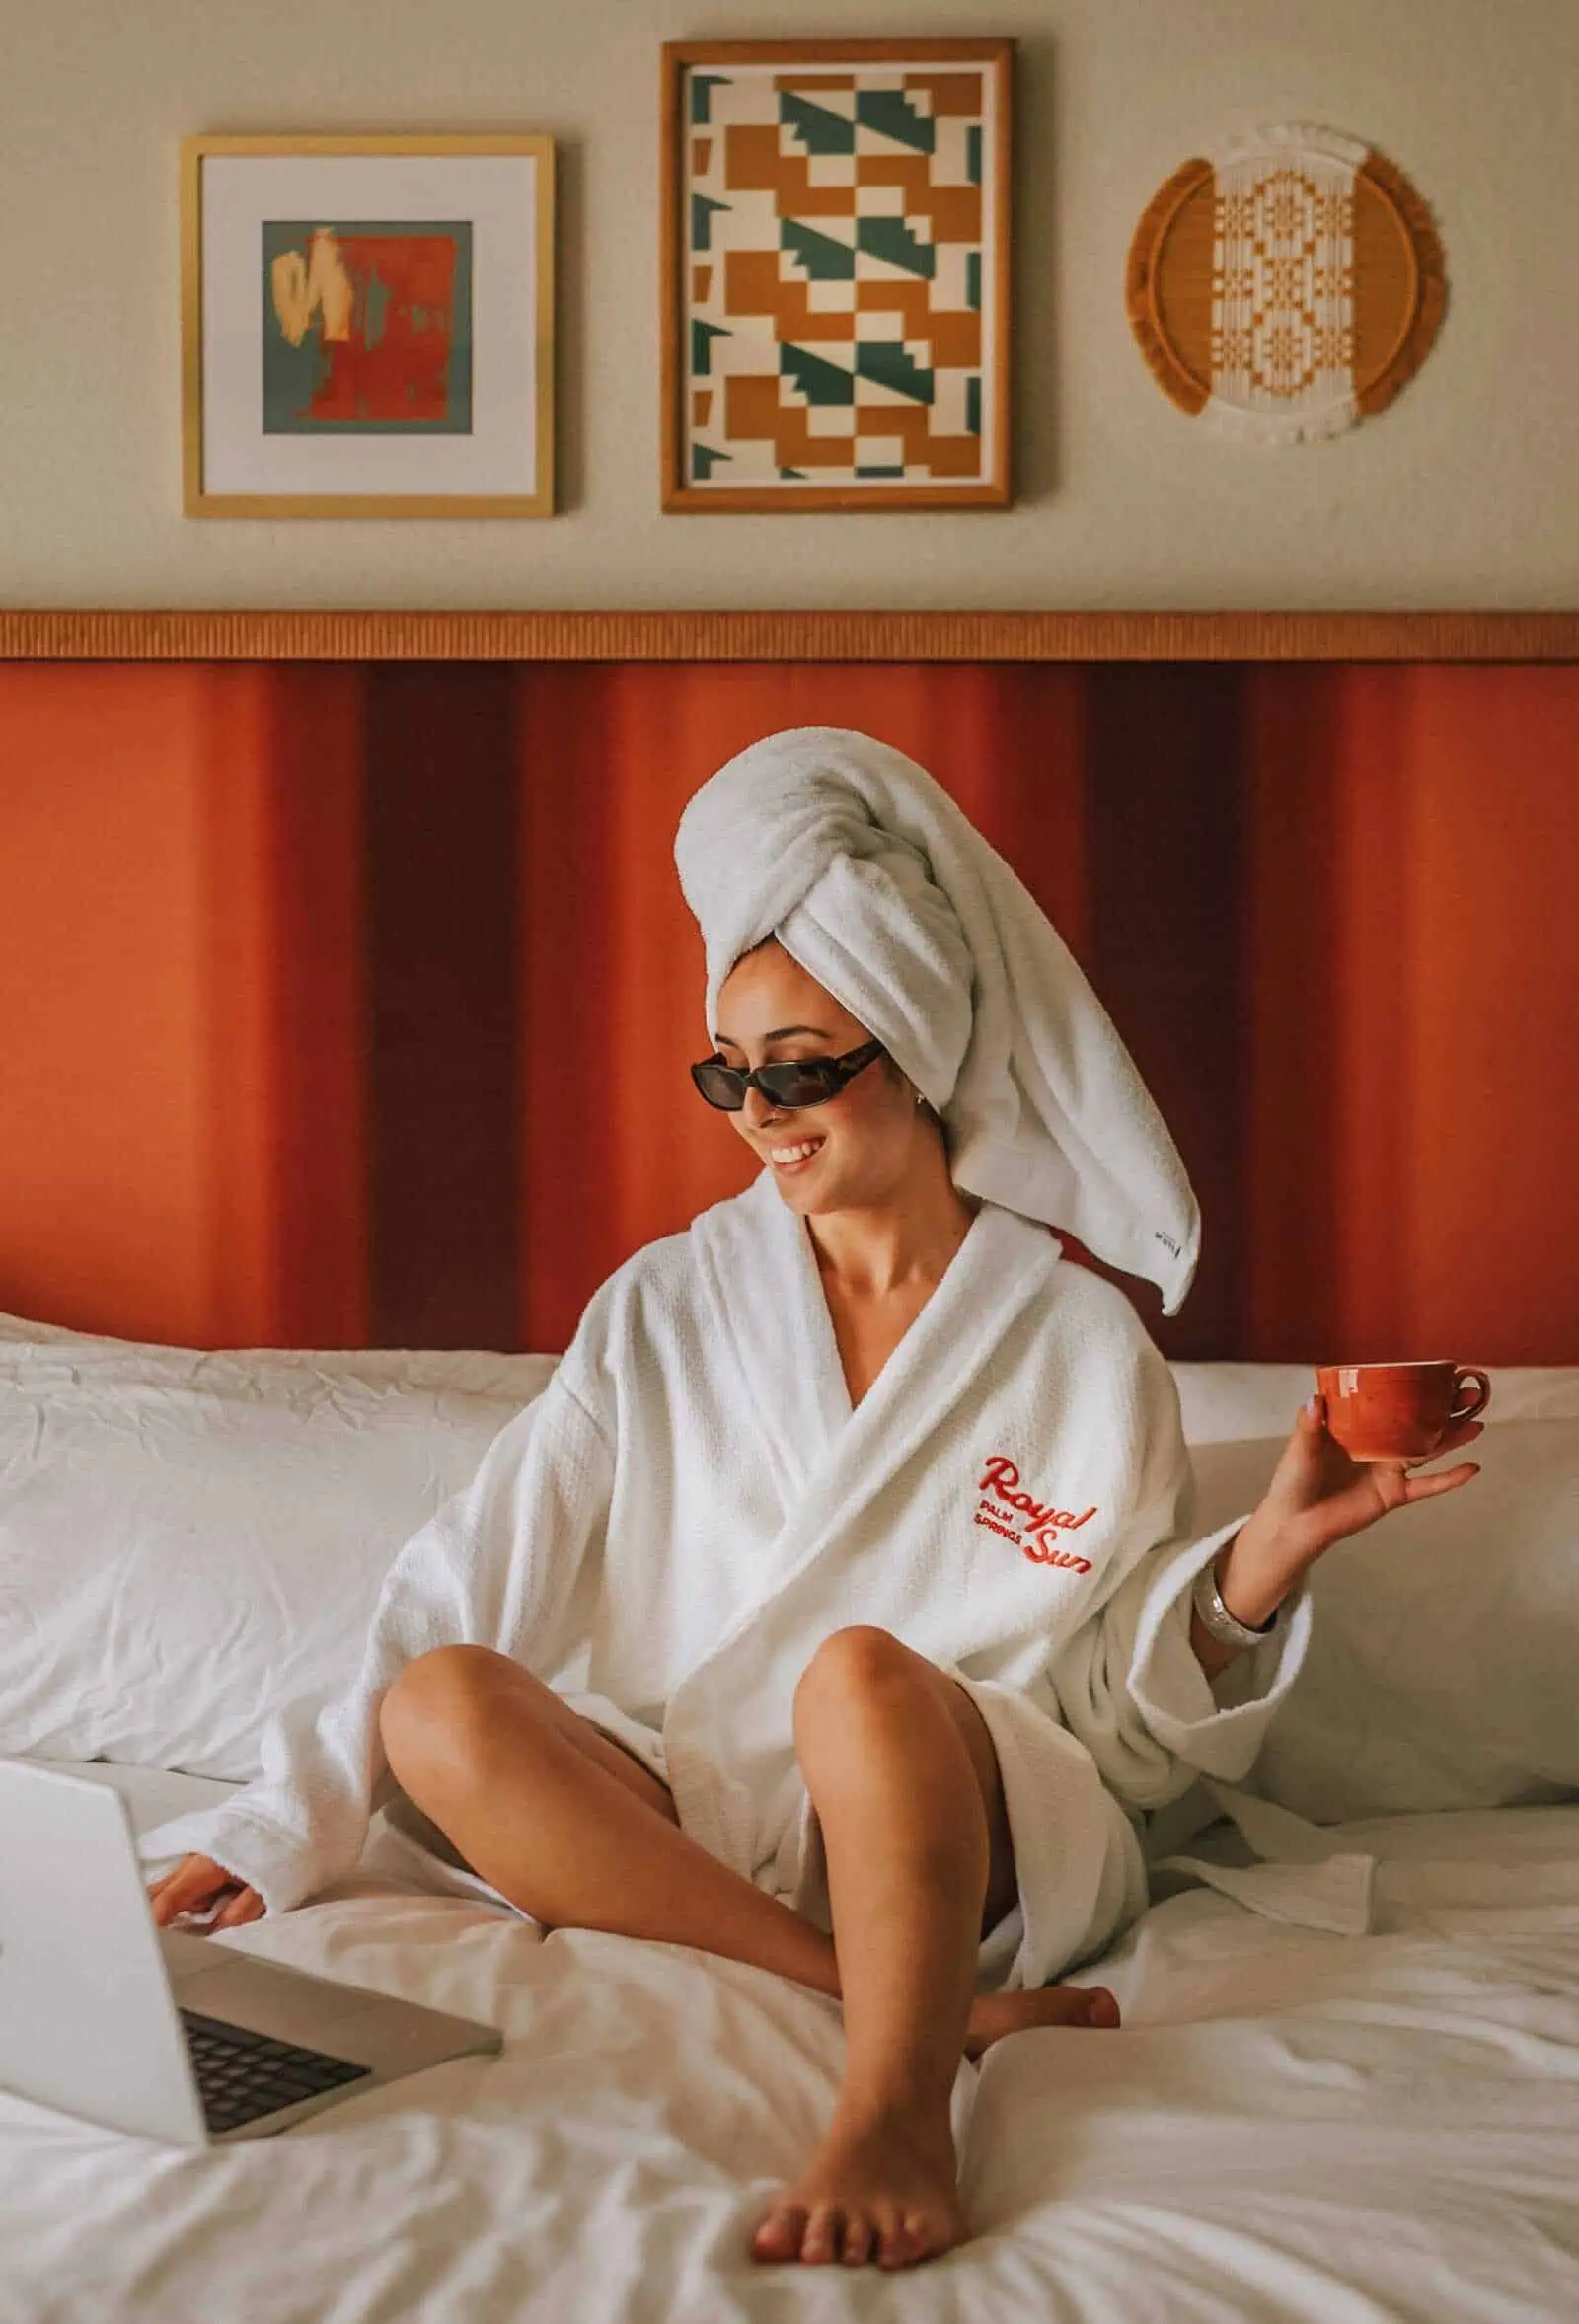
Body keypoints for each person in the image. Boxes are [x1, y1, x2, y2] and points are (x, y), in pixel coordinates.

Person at [147, 728, 1482, 2272]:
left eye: (801, 1070)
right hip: (713, 1824)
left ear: (914, 1052)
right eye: (728, 1071)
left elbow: (1124, 1723)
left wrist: (1266, 1555)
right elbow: (470, 1570)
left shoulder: (1071, 1339)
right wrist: (281, 1815)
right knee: (441, 1703)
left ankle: (898, 2108)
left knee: (856, 1670)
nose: (761, 1112)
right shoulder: (665, 1305)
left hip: (963, 1816)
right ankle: (885, 1994)